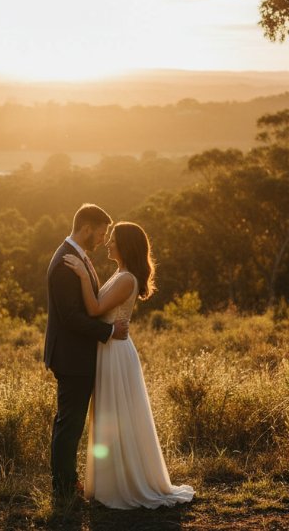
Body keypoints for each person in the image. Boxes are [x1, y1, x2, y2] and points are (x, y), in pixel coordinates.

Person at [62, 221, 195, 509]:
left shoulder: (126, 279)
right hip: (109, 347)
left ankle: (125, 484)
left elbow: (96, 309)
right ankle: (111, 481)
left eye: (112, 239)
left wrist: (83, 276)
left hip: (116, 352)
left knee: (118, 415)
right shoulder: (120, 273)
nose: (107, 243)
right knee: (111, 415)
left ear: (125, 245)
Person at [44, 203, 130, 507]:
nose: (101, 239)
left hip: (78, 355)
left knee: (71, 423)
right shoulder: (66, 261)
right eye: (100, 233)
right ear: (86, 228)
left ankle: (68, 482)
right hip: (71, 357)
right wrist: (108, 333)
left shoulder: (77, 257)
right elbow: (70, 317)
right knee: (69, 424)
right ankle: (63, 489)